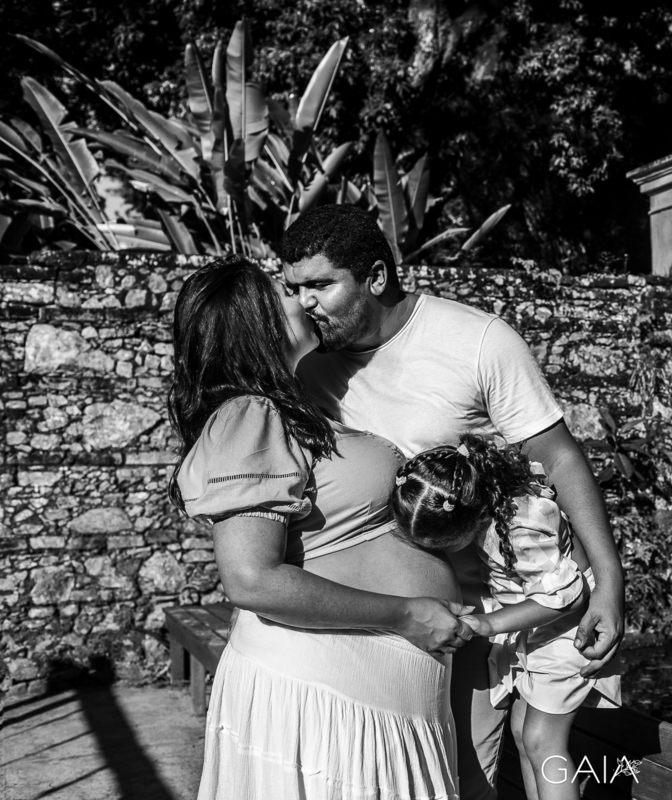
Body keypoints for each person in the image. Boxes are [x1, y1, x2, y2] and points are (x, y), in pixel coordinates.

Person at [281, 204, 625, 799]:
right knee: (439, 776)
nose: (303, 303)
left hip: (507, 603)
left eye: (319, 285)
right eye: (293, 288)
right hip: (396, 621)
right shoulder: (307, 372)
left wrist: (610, 583)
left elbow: (561, 457)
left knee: (508, 759)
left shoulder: (477, 341)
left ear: (375, 277)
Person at [168, 255, 472, 800]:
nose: (305, 299)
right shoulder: (250, 415)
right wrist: (407, 614)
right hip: (328, 694)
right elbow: (251, 579)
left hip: (359, 693)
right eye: (285, 293)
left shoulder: (287, 410)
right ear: (256, 324)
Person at [390, 434, 622, 800]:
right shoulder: (493, 506)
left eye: (445, 545)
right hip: (541, 628)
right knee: (522, 732)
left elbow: (566, 596)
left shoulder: (522, 529)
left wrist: (489, 624)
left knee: (542, 740)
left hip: (568, 630)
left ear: (469, 520)